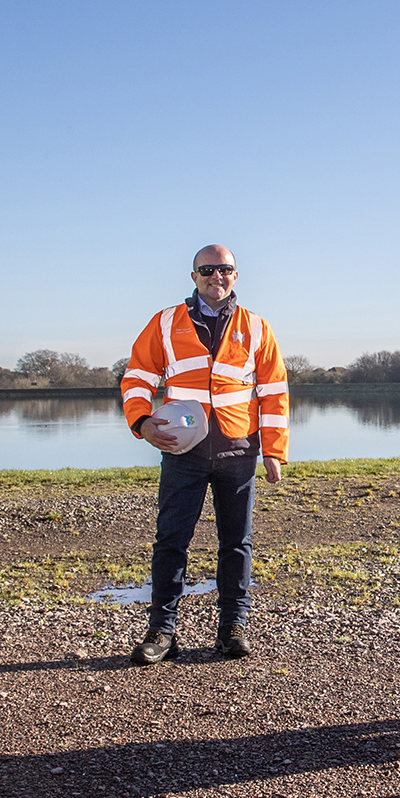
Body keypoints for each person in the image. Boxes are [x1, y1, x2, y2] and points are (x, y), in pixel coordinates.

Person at [120, 245, 288, 664]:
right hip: (183, 449)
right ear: (194, 276)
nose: (217, 276)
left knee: (236, 543)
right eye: (207, 270)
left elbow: (274, 392)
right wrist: (142, 423)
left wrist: (274, 451)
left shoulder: (258, 328)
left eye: (225, 269)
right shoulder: (164, 323)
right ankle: (162, 631)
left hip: (238, 447)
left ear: (236, 275)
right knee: (171, 540)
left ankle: (233, 628)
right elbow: (137, 377)